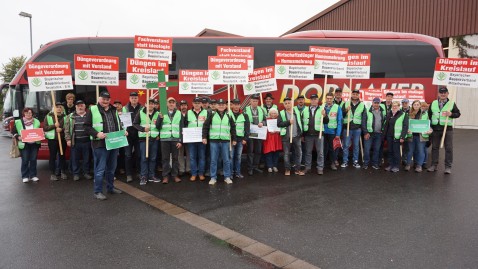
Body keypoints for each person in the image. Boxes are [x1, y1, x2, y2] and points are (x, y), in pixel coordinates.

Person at [84, 91, 125, 200]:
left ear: (110, 100)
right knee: (100, 169)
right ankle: (97, 191)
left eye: (107, 99)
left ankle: (110, 188)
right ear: (99, 99)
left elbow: (118, 124)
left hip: (114, 142)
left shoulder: (113, 109)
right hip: (99, 143)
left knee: (112, 168)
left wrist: (123, 131)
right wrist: (97, 134)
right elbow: (86, 126)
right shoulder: (92, 110)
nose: (105, 101)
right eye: (103, 99)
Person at [202, 99, 236, 185]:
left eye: (222, 104)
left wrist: (234, 139)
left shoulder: (229, 115)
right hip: (214, 141)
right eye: (219, 104)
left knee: (226, 160)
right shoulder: (212, 115)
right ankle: (213, 177)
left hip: (225, 141)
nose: (221, 106)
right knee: (213, 160)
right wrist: (204, 137)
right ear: (216, 106)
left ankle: (227, 177)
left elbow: (233, 128)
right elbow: (205, 126)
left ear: (225, 106)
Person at [428, 87, 461, 174]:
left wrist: (451, 114)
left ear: (447, 94)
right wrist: (430, 126)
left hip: (447, 129)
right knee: (435, 148)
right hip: (435, 129)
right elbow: (429, 115)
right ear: (438, 94)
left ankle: (448, 167)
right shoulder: (433, 103)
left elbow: (458, 114)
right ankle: (433, 165)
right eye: (441, 93)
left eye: (445, 93)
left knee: (449, 148)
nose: (443, 94)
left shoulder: (451, 103)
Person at [156, 97, 183, 184]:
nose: (171, 104)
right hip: (164, 139)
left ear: (175, 104)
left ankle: (175, 175)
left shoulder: (179, 113)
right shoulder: (161, 113)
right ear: (167, 104)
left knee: (175, 158)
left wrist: (180, 140)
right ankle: (165, 176)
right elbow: (157, 126)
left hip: (175, 139)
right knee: (165, 158)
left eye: (173, 102)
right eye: (169, 102)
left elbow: (181, 127)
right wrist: (160, 118)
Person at [133, 99, 160, 185]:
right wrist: (143, 129)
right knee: (144, 158)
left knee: (153, 158)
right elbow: (135, 124)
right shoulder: (140, 113)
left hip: (154, 139)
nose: (151, 105)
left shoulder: (158, 113)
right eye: (149, 104)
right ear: (145, 104)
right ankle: (143, 176)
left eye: (152, 104)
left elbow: (160, 126)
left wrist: (158, 134)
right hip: (144, 139)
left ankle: (152, 175)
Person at [65, 100, 92, 181]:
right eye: (78, 106)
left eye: (82, 105)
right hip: (75, 141)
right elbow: (66, 129)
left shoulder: (89, 116)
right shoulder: (70, 116)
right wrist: (68, 139)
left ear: (85, 107)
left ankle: (86, 173)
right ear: (75, 107)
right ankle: (76, 174)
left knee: (86, 159)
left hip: (87, 141)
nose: (80, 107)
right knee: (74, 158)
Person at [11, 107, 41, 183]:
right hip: (24, 144)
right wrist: (18, 137)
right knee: (25, 160)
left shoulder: (37, 121)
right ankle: (25, 176)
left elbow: (39, 131)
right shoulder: (18, 122)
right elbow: (13, 132)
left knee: (33, 160)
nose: (28, 114)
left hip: (34, 144)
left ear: (32, 114)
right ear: (24, 114)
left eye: (30, 113)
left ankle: (33, 175)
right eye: (27, 113)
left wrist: (42, 134)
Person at [184, 97, 210, 181]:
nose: (197, 104)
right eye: (195, 103)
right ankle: (194, 174)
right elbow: (185, 124)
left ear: (201, 104)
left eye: (199, 103)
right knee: (192, 157)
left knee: (202, 157)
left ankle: (201, 173)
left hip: (202, 139)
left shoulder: (206, 112)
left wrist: (205, 137)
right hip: (191, 139)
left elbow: (208, 125)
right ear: (192, 104)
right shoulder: (188, 112)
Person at [278, 97, 304, 176]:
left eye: (289, 103)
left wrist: (301, 134)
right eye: (285, 103)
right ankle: (287, 169)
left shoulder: (296, 112)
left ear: (292, 103)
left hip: (296, 136)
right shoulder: (282, 113)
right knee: (286, 154)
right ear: (284, 105)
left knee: (299, 153)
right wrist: (288, 122)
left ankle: (297, 169)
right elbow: (279, 124)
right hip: (286, 136)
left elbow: (301, 122)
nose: (287, 105)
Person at [302, 94, 327, 175]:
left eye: (315, 99)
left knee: (320, 152)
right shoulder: (305, 110)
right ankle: (307, 167)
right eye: (312, 99)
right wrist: (302, 134)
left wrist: (325, 115)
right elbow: (302, 122)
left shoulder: (322, 109)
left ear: (318, 100)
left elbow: (326, 121)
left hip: (319, 134)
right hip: (308, 134)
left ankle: (320, 168)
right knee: (308, 152)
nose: (313, 101)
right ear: (310, 100)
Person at [341, 89, 367, 168]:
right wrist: (346, 110)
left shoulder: (362, 105)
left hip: (357, 129)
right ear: (351, 95)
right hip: (347, 128)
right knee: (346, 145)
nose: (355, 95)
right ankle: (345, 161)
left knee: (356, 146)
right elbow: (341, 115)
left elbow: (364, 118)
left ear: (359, 95)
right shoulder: (346, 103)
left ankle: (355, 161)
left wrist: (364, 130)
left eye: (356, 94)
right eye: (354, 94)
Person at [405, 100, 432, 172]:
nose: (416, 106)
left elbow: (428, 124)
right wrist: (406, 129)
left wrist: (430, 130)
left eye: (417, 104)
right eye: (414, 104)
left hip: (421, 136)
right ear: (412, 105)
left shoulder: (425, 114)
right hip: (411, 135)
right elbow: (405, 124)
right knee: (410, 151)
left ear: (420, 105)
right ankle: (408, 164)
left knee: (420, 151)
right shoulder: (408, 113)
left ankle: (419, 165)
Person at [43, 102, 67, 181]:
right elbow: (45, 128)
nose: (59, 108)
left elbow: (68, 127)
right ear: (54, 108)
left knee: (62, 156)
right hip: (52, 140)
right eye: (57, 107)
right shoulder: (48, 116)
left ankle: (62, 171)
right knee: (52, 157)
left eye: (60, 107)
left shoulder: (65, 117)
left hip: (62, 139)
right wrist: (54, 126)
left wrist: (61, 129)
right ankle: (52, 173)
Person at [383, 101, 409, 172]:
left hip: (397, 137)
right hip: (389, 136)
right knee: (390, 151)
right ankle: (390, 165)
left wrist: (402, 136)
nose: (394, 107)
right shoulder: (389, 114)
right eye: (393, 106)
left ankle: (396, 166)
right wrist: (384, 135)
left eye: (396, 106)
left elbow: (405, 126)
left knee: (396, 151)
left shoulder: (403, 114)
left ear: (399, 107)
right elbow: (386, 125)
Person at [244, 94, 266, 176]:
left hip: (259, 133)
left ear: (258, 101)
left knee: (258, 150)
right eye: (253, 101)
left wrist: (262, 123)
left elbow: (265, 120)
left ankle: (255, 166)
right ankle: (250, 168)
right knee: (250, 151)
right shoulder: (245, 109)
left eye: (256, 101)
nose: (255, 102)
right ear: (250, 101)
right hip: (250, 133)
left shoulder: (261, 109)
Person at [123, 92, 142, 182]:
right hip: (128, 135)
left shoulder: (142, 108)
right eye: (132, 98)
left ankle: (139, 172)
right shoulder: (125, 108)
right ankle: (129, 174)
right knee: (128, 155)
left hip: (139, 135)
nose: (134, 99)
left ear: (138, 99)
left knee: (139, 155)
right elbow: (121, 122)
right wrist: (124, 130)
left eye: (135, 98)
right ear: (129, 99)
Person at [363, 97, 386, 170]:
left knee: (377, 149)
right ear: (372, 103)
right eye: (375, 103)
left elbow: (385, 122)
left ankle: (375, 163)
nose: (376, 104)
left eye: (377, 103)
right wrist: (366, 132)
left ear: (379, 103)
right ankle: (366, 163)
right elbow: (363, 122)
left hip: (379, 134)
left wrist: (383, 131)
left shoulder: (383, 111)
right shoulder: (367, 111)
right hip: (369, 134)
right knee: (367, 149)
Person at [229, 98, 249, 178]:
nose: (236, 106)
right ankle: (230, 173)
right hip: (231, 139)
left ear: (240, 105)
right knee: (231, 157)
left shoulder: (244, 115)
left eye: (238, 104)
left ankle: (237, 172)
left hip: (240, 139)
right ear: (232, 105)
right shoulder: (228, 114)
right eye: (234, 104)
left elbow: (247, 128)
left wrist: (245, 138)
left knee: (238, 157)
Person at [323, 92, 343, 171]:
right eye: (327, 98)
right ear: (325, 98)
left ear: (333, 98)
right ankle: (322, 163)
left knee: (332, 149)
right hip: (323, 131)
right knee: (323, 149)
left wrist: (338, 133)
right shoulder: (322, 107)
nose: (329, 100)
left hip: (332, 131)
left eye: (330, 98)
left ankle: (332, 163)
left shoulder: (337, 107)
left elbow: (339, 121)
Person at [263, 108, 282, 172]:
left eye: (275, 113)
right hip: (269, 138)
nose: (273, 114)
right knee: (269, 152)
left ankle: (275, 166)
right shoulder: (266, 120)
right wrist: (261, 123)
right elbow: (263, 124)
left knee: (276, 153)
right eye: (272, 113)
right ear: (269, 114)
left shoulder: (279, 120)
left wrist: (279, 131)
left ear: (277, 114)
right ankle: (269, 166)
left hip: (276, 138)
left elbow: (282, 128)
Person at [178, 100, 190, 176]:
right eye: (182, 105)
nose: (183, 107)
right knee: (180, 154)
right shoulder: (178, 114)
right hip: (180, 136)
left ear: (187, 106)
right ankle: (181, 169)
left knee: (189, 153)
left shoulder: (190, 114)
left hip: (189, 137)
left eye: (185, 105)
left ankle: (189, 169)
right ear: (180, 107)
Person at [113, 100, 125, 175]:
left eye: (118, 104)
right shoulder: (111, 113)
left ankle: (121, 168)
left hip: (123, 136)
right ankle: (114, 170)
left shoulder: (125, 114)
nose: (117, 106)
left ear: (121, 106)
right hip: (114, 137)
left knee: (122, 153)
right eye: (115, 104)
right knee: (114, 155)